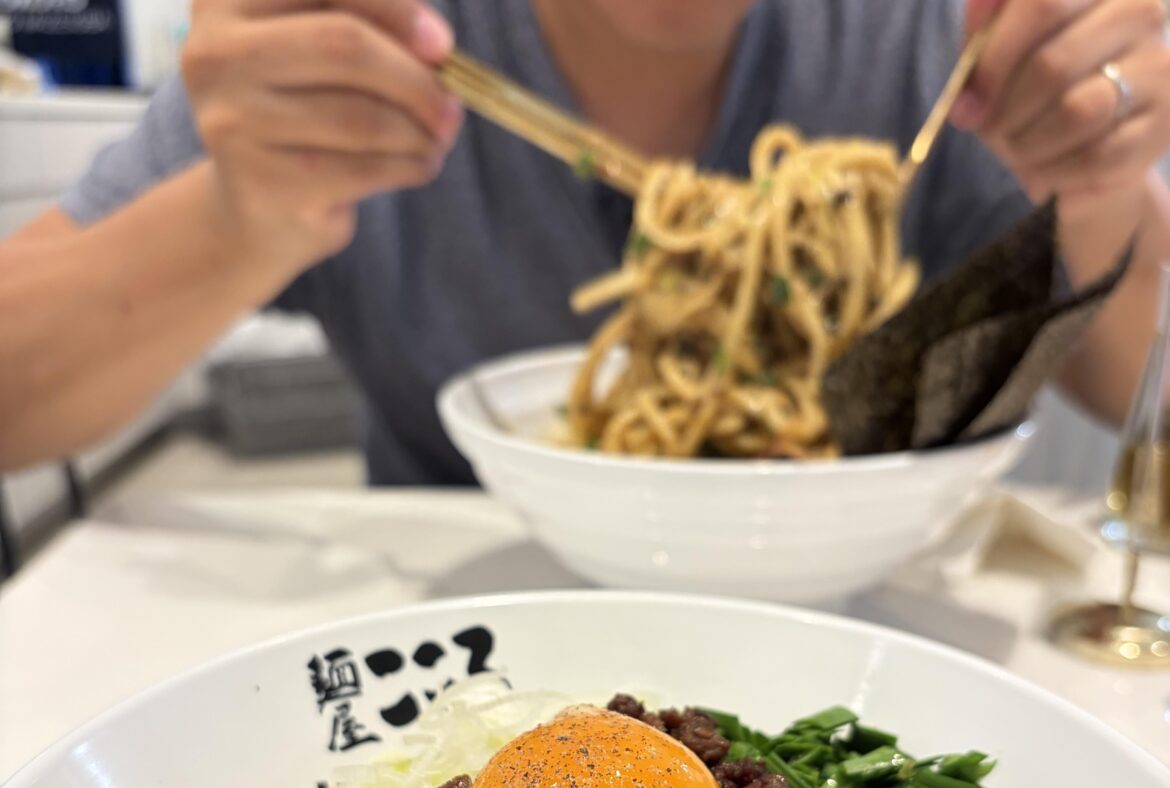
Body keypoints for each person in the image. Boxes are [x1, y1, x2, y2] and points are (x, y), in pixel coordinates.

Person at [0, 0, 1167, 484]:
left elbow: (1136, 402)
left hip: (860, 660)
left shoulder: (936, 36)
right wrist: (237, 214)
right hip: (458, 675)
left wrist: (1098, 177)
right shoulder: (369, 35)